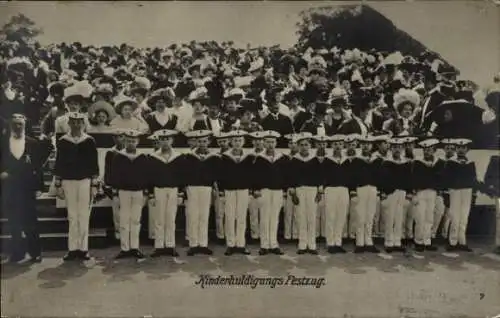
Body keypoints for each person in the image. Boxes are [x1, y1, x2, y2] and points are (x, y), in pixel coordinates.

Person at [1, 114, 52, 263]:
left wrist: (39, 186)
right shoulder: (3, 143)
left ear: (25, 126)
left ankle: (35, 252)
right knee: (13, 222)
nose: (18, 127)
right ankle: (17, 253)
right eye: (15, 124)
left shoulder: (32, 143)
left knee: (31, 221)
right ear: (10, 125)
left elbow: (37, 166)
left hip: (27, 187)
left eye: (20, 124)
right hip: (9, 187)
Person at [53, 112, 99, 261]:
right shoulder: (63, 141)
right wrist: (58, 184)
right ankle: (73, 249)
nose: (76, 125)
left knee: (83, 215)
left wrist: (94, 184)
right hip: (68, 181)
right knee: (72, 215)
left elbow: (94, 164)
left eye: (79, 122)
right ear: (69, 124)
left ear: (83, 124)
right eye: (73, 122)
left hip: (85, 181)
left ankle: (84, 248)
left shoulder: (89, 141)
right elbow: (59, 163)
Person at [147, 129, 182, 258]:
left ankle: (170, 245)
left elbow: (181, 177)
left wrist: (181, 194)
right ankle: (159, 246)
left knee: (171, 218)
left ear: (172, 140)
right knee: (159, 219)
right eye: (162, 139)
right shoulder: (153, 157)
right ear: (159, 141)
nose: (165, 142)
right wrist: (151, 193)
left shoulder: (178, 157)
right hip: (159, 190)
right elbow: (149, 177)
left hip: (173, 190)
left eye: (168, 139)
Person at [183, 130, 218, 256]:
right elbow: (185, 173)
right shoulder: (189, 156)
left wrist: (214, 186)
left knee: (204, 215)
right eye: (199, 141)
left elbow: (215, 174)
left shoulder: (213, 157)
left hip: (206, 188)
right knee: (193, 215)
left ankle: (203, 244)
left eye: (204, 141)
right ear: (195, 142)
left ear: (208, 142)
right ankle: (193, 244)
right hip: (192, 187)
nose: (202, 143)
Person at [218, 130, 253, 256]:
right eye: (235, 141)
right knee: (230, 216)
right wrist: (221, 190)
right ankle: (231, 244)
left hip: (243, 189)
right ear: (231, 142)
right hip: (229, 189)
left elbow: (251, 175)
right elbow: (221, 174)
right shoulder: (225, 156)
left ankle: (241, 244)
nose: (237, 143)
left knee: (241, 216)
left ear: (243, 142)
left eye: (239, 140)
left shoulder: (248, 157)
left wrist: (250, 190)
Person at [287, 132, 323, 254]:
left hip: (312, 190)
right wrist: (293, 192)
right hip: (299, 190)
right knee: (301, 217)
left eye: (306, 144)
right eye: (301, 144)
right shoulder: (294, 161)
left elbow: (319, 177)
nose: (304, 147)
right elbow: (290, 177)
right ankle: (302, 244)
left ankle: (312, 245)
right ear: (297, 146)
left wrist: (319, 191)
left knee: (312, 217)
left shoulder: (314, 160)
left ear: (310, 146)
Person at [252, 130, 287, 255]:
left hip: (277, 191)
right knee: (265, 217)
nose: (270, 144)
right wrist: (256, 189)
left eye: (272, 142)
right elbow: (255, 176)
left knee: (275, 218)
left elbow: (285, 176)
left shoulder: (282, 158)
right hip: (264, 191)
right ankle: (264, 245)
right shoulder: (259, 158)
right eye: (267, 142)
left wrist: (285, 190)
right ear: (264, 143)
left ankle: (274, 244)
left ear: (276, 143)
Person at [379, 137, 412, 253]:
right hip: (391, 193)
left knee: (399, 218)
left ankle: (397, 241)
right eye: (394, 147)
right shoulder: (386, 163)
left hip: (402, 192)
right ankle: (388, 241)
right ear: (391, 149)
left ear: (402, 148)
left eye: (399, 147)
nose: (397, 150)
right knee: (390, 217)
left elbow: (408, 180)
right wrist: (384, 191)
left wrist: (408, 192)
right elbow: (383, 179)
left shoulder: (406, 163)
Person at [446, 138, 477, 252]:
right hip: (455, 191)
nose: (461, 150)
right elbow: (447, 178)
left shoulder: (470, 162)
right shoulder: (451, 162)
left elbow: (473, 178)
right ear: (456, 149)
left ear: (467, 149)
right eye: (459, 148)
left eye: (463, 148)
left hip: (467, 191)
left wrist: (473, 192)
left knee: (464, 216)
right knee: (455, 216)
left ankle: (462, 241)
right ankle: (453, 242)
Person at [412, 138, 443, 252]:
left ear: (434, 150)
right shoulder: (418, 163)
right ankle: (418, 241)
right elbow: (415, 179)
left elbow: (439, 179)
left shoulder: (438, 163)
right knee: (420, 217)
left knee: (429, 218)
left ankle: (427, 240)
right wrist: (414, 193)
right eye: (425, 150)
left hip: (432, 192)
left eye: (429, 150)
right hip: (421, 192)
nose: (427, 152)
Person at [351, 134, 379, 253]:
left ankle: (369, 241)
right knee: (360, 216)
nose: (366, 146)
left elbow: (379, 177)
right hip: (361, 189)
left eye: (368, 144)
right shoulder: (356, 160)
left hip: (372, 189)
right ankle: (359, 242)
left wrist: (379, 190)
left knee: (370, 216)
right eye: (363, 144)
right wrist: (353, 190)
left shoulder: (376, 160)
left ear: (371, 145)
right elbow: (351, 177)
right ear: (360, 145)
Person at [323, 134, 352, 253]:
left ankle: (338, 242)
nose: (338, 146)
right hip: (331, 190)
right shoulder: (327, 160)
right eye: (335, 144)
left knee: (341, 216)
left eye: (340, 144)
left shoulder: (347, 160)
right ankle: (330, 242)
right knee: (331, 216)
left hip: (344, 190)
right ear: (332, 146)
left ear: (343, 145)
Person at [103, 128, 126, 240]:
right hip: (116, 186)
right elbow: (108, 170)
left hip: (128, 186)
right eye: (116, 137)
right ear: (113, 139)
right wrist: (109, 185)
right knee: (117, 211)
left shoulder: (130, 151)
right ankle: (118, 232)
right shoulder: (110, 153)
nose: (118, 139)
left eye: (121, 136)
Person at [247, 131, 267, 241]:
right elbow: (247, 174)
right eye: (256, 140)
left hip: (264, 188)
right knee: (253, 213)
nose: (258, 142)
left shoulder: (267, 155)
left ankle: (264, 235)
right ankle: (255, 236)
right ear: (252, 142)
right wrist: (252, 189)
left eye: (260, 140)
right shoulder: (249, 155)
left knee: (264, 214)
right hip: (252, 189)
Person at [213, 131, 232, 242]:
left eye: (224, 141)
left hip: (230, 188)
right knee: (219, 214)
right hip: (218, 188)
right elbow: (214, 173)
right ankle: (220, 236)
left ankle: (230, 235)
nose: (222, 143)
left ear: (228, 141)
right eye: (220, 141)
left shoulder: (233, 155)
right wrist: (216, 187)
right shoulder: (216, 156)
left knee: (230, 214)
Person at [283, 133, 299, 241]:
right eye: (290, 143)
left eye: (295, 143)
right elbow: (283, 175)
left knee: (298, 213)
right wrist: (286, 188)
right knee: (288, 213)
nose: (293, 145)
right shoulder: (284, 158)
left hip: (299, 187)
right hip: (288, 188)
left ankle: (296, 234)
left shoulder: (302, 158)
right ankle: (287, 235)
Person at [313, 134, 329, 240]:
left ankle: (324, 234)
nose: (321, 146)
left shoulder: (329, 159)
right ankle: (315, 234)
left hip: (326, 188)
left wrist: (324, 186)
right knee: (315, 212)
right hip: (314, 188)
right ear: (315, 145)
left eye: (323, 144)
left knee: (325, 213)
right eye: (319, 144)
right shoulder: (312, 158)